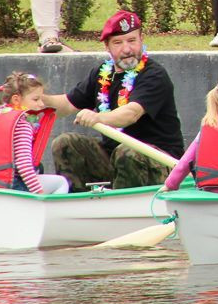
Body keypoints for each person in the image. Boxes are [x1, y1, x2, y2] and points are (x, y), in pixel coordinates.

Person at [44, 10, 184, 191]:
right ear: (107, 47)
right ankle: (79, 206)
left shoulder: (154, 74)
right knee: (65, 143)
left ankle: (123, 207)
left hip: (161, 163)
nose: (127, 49)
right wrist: (34, 100)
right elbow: (66, 104)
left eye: (132, 41)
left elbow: (131, 113)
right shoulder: (102, 73)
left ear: (141, 40)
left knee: (127, 151)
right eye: (118, 43)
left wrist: (99, 118)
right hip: (116, 159)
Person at [0, 72, 69, 194]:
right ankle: (47, 212)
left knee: (40, 168)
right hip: (12, 186)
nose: (41, 104)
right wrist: (39, 196)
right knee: (61, 182)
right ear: (16, 99)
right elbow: (24, 166)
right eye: (36, 99)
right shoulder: (22, 124)